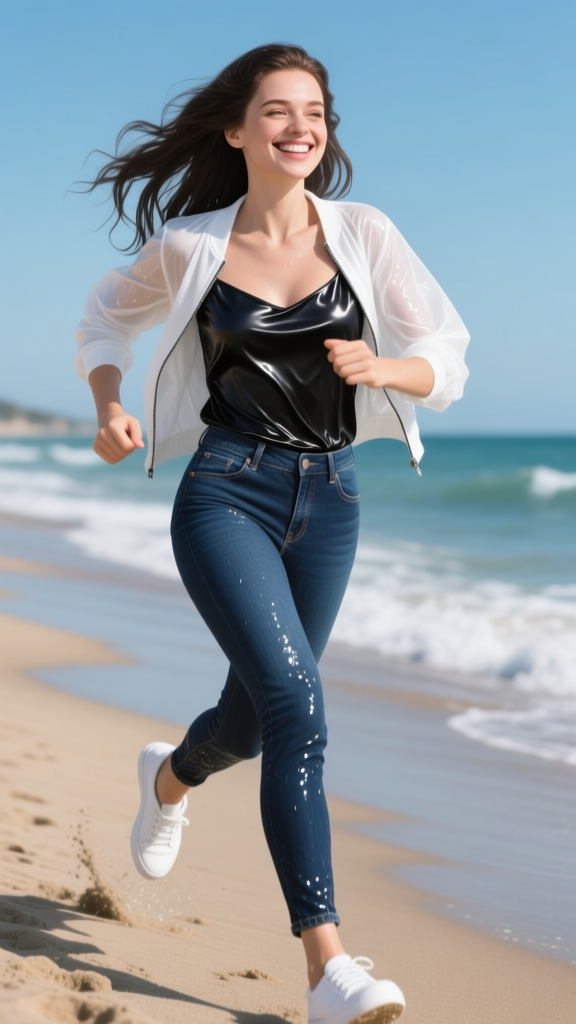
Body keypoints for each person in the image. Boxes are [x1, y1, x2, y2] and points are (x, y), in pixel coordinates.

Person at [77, 43, 469, 1024]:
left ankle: (168, 775)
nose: (302, 126)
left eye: (317, 112)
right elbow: (101, 319)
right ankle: (329, 965)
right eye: (279, 110)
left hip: (331, 503)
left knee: (254, 721)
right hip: (226, 494)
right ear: (238, 129)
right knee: (299, 706)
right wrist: (109, 404)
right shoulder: (192, 245)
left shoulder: (365, 234)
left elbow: (448, 354)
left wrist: (392, 372)